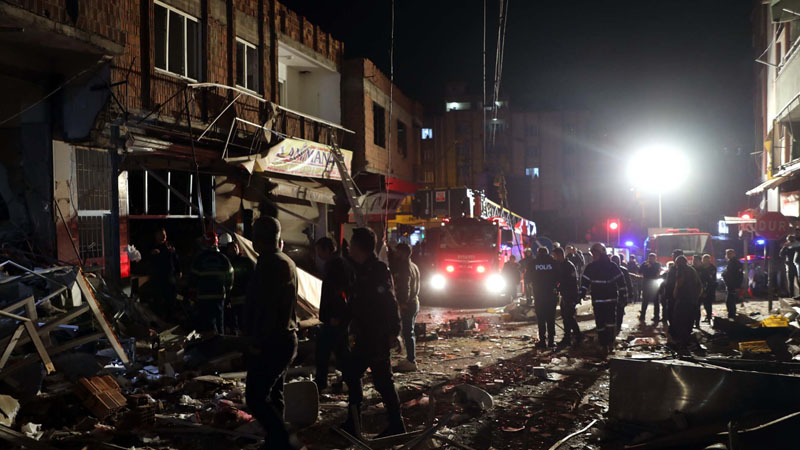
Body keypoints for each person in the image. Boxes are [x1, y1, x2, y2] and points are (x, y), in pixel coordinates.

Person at [243, 216, 300, 449]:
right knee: (274, 395)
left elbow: (265, 307)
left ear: (257, 240)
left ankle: (284, 440)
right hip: (285, 339)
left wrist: (256, 342)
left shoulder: (269, 265)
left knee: (255, 397)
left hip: (272, 341)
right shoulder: (285, 261)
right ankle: (276, 442)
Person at [341, 228, 405, 437]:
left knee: (383, 381)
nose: (349, 247)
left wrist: (394, 331)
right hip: (364, 334)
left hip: (376, 335)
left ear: (359, 247)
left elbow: (390, 301)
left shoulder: (377, 269)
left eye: (352, 244)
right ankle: (353, 422)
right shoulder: (359, 269)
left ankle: (396, 425)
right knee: (352, 374)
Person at [314, 237, 354, 391]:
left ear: (326, 250)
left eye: (319, 250)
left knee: (325, 351)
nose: (317, 254)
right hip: (338, 317)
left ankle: (322, 382)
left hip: (334, 318)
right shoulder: (341, 264)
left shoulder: (335, 266)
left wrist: (335, 315)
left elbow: (338, 293)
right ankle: (348, 380)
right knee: (340, 351)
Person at [580, 243, 628, 355]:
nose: (593, 256)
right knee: (600, 324)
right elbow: (584, 283)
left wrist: (623, 297)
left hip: (609, 300)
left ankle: (609, 344)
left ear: (600, 253)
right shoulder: (592, 267)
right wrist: (581, 294)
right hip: (599, 301)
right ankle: (604, 345)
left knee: (609, 323)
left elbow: (621, 283)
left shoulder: (611, 266)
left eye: (594, 253)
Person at [189, 230, 233, 336]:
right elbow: (230, 279)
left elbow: (193, 279)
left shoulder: (199, 260)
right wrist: (227, 293)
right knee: (219, 325)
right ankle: (220, 347)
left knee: (206, 328)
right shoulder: (223, 259)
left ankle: (207, 348)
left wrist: (192, 294)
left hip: (203, 298)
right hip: (219, 297)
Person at [391, 243, 421, 373]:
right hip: (415, 302)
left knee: (408, 332)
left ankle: (411, 360)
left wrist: (402, 302)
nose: (395, 254)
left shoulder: (405, 267)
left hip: (408, 304)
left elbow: (405, 286)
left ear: (402, 253)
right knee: (410, 331)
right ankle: (410, 358)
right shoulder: (414, 266)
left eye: (397, 252)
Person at [221, 234, 254, 335]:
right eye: (231, 248)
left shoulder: (246, 261)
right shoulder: (226, 263)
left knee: (243, 321)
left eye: (235, 247)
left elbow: (253, 277)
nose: (233, 250)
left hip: (244, 297)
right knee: (233, 321)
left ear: (238, 248)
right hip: (232, 298)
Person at [529, 247, 560, 348]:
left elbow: (527, 279)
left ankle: (542, 341)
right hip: (551, 295)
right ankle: (551, 341)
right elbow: (559, 277)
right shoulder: (553, 262)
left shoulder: (533, 263)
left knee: (541, 319)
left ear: (538, 253)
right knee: (551, 319)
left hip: (539, 295)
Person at [670, 255, 702, 351]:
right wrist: (696, 298)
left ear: (679, 263)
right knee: (689, 321)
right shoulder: (692, 270)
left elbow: (679, 283)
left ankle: (682, 343)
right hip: (692, 300)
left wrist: (675, 294)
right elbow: (700, 286)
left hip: (682, 300)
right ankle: (687, 340)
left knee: (679, 320)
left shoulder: (681, 270)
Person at [552, 247, 582, 347]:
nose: (554, 258)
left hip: (570, 294)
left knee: (569, 316)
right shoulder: (560, 265)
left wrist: (560, 287)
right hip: (565, 294)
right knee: (566, 316)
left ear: (560, 255)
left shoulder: (568, 266)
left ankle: (576, 336)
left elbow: (571, 281)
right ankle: (568, 337)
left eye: (555, 256)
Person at [149, 227, 181, 318]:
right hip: (159, 277)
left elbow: (176, 258)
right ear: (156, 236)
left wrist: (179, 270)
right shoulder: (153, 247)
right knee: (158, 298)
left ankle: (171, 316)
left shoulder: (169, 246)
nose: (164, 237)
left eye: (165, 235)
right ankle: (158, 316)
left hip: (170, 275)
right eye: (162, 235)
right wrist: (152, 254)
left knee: (171, 297)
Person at [611, 255, 632, 335]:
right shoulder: (624, 270)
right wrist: (630, 293)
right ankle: (617, 326)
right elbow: (628, 283)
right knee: (619, 311)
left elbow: (628, 283)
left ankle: (615, 327)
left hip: (616, 294)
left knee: (617, 311)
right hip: (620, 294)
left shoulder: (609, 270)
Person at [662, 249, 684, 327]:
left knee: (675, 312)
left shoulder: (681, 268)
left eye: (673, 256)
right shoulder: (673, 267)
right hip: (670, 293)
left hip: (676, 294)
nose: (672, 257)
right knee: (670, 312)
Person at [639, 253, 662, 323]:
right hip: (646, 284)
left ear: (655, 259)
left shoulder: (657, 264)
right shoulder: (644, 264)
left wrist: (651, 267)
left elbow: (657, 272)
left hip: (654, 284)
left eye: (652, 258)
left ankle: (656, 316)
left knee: (656, 301)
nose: (651, 260)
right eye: (650, 258)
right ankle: (642, 316)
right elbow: (640, 271)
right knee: (645, 301)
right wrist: (646, 268)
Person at [722, 249, 744, 319]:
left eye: (730, 253)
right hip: (730, 284)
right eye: (727, 254)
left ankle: (732, 314)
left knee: (730, 300)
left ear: (734, 254)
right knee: (730, 300)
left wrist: (737, 286)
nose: (728, 255)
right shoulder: (730, 262)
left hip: (732, 284)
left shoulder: (735, 263)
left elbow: (739, 275)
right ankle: (731, 313)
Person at [697, 254, 717, 324]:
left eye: (707, 259)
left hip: (709, 287)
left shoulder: (712, 268)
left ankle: (709, 316)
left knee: (708, 303)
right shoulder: (701, 268)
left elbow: (712, 279)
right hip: (701, 287)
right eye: (704, 260)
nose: (705, 261)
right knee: (700, 304)